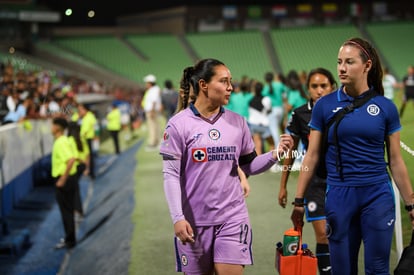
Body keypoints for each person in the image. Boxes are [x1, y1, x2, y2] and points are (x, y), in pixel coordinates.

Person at [290, 37, 414, 275]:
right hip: (339, 196)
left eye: (349, 62)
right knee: (342, 270)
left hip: (377, 194)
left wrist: (410, 203)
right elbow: (312, 155)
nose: (342, 68)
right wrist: (298, 200)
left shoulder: (385, 107)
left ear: (367, 66)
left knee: (378, 269)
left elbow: (396, 160)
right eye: (339, 62)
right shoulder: (324, 105)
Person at [159, 58, 293, 275]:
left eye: (230, 81)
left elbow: (248, 165)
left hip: (232, 217)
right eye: (224, 81)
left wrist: (275, 154)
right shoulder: (178, 124)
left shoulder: (238, 122)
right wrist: (178, 218)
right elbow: (171, 175)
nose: (230, 87)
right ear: (204, 85)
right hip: (194, 222)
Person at [278, 68, 337, 274]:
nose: (319, 91)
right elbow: (291, 152)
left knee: (341, 234)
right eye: (314, 86)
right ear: (308, 89)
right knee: (323, 234)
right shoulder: (300, 114)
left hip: (342, 181)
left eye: (324, 86)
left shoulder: (344, 110)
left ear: (333, 87)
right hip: (314, 182)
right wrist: (283, 186)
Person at [51, 117, 77, 249]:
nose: (51, 128)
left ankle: (70, 240)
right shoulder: (63, 140)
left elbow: (71, 160)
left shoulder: (61, 142)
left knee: (66, 211)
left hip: (64, 179)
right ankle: (69, 237)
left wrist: (62, 179)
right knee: (68, 210)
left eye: (52, 125)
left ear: (57, 127)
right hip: (68, 179)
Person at [67, 121, 90, 221]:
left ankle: (77, 211)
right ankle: (78, 211)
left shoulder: (69, 140)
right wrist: (87, 167)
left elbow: (73, 156)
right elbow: (87, 154)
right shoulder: (81, 139)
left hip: (74, 167)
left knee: (73, 190)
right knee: (75, 189)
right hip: (82, 166)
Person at [248, 81, 273, 155]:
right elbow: (269, 110)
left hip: (253, 124)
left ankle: (259, 164)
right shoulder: (266, 99)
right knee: (272, 144)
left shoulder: (250, 100)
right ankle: (273, 163)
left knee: (257, 146)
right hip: (263, 124)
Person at [72, 103, 97, 179]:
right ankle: (85, 170)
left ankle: (91, 172)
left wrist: (96, 136)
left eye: (81, 109)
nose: (80, 110)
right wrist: (78, 116)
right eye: (79, 109)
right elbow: (72, 122)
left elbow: (93, 127)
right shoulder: (79, 117)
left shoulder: (90, 116)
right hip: (80, 139)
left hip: (88, 138)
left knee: (89, 155)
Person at [262, 71, 286, 146]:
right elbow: (285, 95)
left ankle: (277, 149)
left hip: (271, 110)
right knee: (279, 128)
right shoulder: (279, 85)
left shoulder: (265, 88)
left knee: (274, 130)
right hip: (280, 109)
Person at [142, 74, 162, 150]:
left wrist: (152, 111)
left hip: (152, 110)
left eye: (147, 82)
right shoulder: (154, 89)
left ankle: (153, 143)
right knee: (155, 126)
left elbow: (153, 101)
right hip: (152, 110)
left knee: (152, 127)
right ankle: (156, 142)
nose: (146, 84)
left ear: (150, 83)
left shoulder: (154, 90)